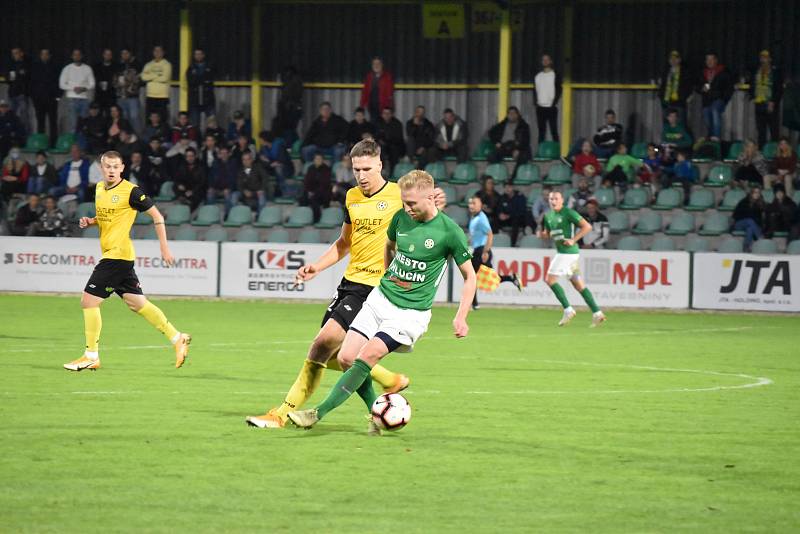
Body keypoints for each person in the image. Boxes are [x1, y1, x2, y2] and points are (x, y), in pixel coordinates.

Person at [246, 140, 443, 429]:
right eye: (356, 170)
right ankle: (389, 384)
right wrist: (316, 266)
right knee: (339, 357)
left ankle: (281, 415)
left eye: (366, 168)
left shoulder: (398, 196)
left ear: (380, 165)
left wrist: (435, 205)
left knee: (322, 345)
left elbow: (427, 215)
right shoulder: (352, 197)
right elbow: (344, 243)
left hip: (377, 288)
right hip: (350, 284)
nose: (361, 175)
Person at [285, 170, 475, 433]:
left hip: (410, 313)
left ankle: (317, 413)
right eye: (404, 202)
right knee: (347, 358)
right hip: (380, 300)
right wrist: (388, 274)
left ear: (431, 197)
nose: (406, 208)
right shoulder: (400, 219)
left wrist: (460, 316)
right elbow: (388, 246)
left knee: (369, 355)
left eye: (412, 203)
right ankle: (377, 412)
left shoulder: (449, 232)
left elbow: (471, 277)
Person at [63, 151, 191, 371]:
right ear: (101, 169)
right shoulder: (100, 189)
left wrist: (164, 248)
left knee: (89, 301)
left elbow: (158, 217)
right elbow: (107, 218)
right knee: (137, 303)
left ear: (122, 168)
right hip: (117, 256)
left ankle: (91, 355)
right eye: (107, 167)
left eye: (115, 167)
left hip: (117, 256)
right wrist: (91, 221)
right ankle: (177, 337)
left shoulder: (131, 192)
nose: (111, 170)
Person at [537, 190, 605, 327]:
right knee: (578, 284)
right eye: (551, 199)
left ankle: (568, 309)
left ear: (562, 200)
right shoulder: (548, 216)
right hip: (567, 254)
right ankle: (597, 313)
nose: (553, 201)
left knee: (549, 280)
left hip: (567, 253)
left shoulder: (568, 212)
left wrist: (574, 240)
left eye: (556, 198)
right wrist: (543, 235)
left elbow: (587, 226)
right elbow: (548, 234)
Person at [468, 194, 522, 309]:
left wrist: (486, 252)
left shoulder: (481, 218)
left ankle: (474, 304)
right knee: (484, 278)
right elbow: (475, 235)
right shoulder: (474, 217)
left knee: (471, 277)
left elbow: (490, 234)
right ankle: (511, 278)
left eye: (474, 203)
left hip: (481, 250)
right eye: (470, 203)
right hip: (478, 250)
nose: (471, 206)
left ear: (480, 205)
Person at [749, 50, 783, 148]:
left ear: (770, 59)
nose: (763, 60)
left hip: (770, 104)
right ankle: (762, 151)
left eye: (765, 57)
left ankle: (775, 152)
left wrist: (773, 102)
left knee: (774, 131)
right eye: (762, 57)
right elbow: (752, 84)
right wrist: (752, 95)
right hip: (759, 103)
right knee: (761, 131)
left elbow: (779, 89)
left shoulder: (775, 72)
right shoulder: (757, 71)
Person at [697, 52, 734, 141]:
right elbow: (697, 86)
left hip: (718, 99)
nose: (709, 62)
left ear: (716, 60)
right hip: (707, 100)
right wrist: (701, 89)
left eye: (711, 59)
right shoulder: (703, 73)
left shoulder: (723, 71)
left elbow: (729, 87)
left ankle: (716, 136)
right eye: (707, 60)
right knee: (706, 115)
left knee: (714, 111)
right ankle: (710, 135)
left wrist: (724, 99)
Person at [59, 49, 95, 134]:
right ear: (72, 56)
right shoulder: (67, 68)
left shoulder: (87, 68)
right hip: (71, 100)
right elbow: (61, 84)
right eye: (75, 55)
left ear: (82, 56)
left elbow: (92, 84)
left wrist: (84, 88)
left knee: (83, 125)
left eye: (79, 55)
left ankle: (82, 145)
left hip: (84, 100)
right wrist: (74, 88)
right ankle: (73, 146)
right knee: (73, 124)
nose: (77, 56)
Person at [30, 49, 61, 146]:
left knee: (53, 121)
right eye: (42, 54)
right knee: (40, 121)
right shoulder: (35, 66)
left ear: (50, 55)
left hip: (51, 98)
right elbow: (31, 82)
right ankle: (41, 142)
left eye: (46, 54)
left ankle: (53, 142)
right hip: (39, 99)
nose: (44, 56)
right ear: (40, 55)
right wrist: (33, 97)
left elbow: (59, 81)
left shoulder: (55, 66)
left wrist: (58, 96)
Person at [488, 106, 531, 173]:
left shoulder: (524, 126)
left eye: (514, 113)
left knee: (523, 157)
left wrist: (518, 149)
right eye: (510, 113)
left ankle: (515, 176)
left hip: (516, 147)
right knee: (492, 156)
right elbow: (491, 132)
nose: (512, 115)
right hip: (504, 147)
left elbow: (526, 141)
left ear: (517, 114)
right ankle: (499, 174)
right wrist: (496, 142)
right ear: (507, 115)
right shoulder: (502, 124)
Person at [658, 51, 692, 125]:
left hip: (679, 103)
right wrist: (661, 96)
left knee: (681, 124)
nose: (673, 61)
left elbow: (688, 86)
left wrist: (685, 97)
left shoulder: (684, 72)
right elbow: (662, 85)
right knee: (667, 124)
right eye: (671, 59)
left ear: (679, 60)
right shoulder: (665, 71)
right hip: (666, 102)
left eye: (675, 58)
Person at [534, 53, 562, 143]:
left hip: (551, 107)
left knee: (554, 130)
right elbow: (535, 90)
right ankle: (540, 151)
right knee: (541, 131)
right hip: (540, 107)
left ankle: (557, 151)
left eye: (547, 59)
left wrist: (554, 102)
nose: (545, 61)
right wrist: (536, 102)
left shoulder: (555, 74)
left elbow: (559, 89)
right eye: (543, 60)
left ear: (551, 61)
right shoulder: (538, 76)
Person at [141, 45, 172, 124]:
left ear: (163, 53)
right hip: (150, 95)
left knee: (162, 119)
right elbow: (143, 77)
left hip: (162, 96)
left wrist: (150, 77)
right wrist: (157, 75)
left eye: (159, 51)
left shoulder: (166, 64)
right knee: (149, 119)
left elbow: (165, 78)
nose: (157, 53)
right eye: (155, 51)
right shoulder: (148, 64)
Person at [115, 47, 142, 134]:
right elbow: (114, 80)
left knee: (134, 118)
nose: (124, 55)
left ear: (130, 54)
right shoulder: (119, 65)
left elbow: (140, 79)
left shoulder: (137, 64)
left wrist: (129, 81)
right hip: (121, 96)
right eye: (123, 54)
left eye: (126, 53)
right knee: (124, 119)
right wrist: (118, 84)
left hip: (132, 97)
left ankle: (137, 139)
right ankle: (126, 139)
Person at [272, 65, 302, 144]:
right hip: (290, 109)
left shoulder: (293, 82)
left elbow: (290, 96)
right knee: (288, 128)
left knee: (288, 128)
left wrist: (287, 106)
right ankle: (291, 143)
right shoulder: (294, 82)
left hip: (290, 109)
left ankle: (290, 144)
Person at [186, 48, 215, 127]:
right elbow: (190, 82)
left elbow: (210, 80)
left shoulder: (209, 67)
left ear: (203, 55)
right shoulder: (191, 68)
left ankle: (211, 138)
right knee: (195, 125)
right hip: (195, 100)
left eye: (200, 54)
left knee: (211, 123)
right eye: (196, 54)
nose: (198, 56)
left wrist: (198, 79)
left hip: (208, 99)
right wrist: (202, 80)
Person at [300, 153, 332, 223]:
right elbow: (307, 182)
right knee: (302, 198)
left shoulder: (326, 169)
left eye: (320, 159)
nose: (318, 161)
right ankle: (301, 218)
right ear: (314, 160)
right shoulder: (310, 168)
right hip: (311, 192)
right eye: (316, 159)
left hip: (322, 193)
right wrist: (309, 192)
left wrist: (314, 193)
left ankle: (316, 219)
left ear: (323, 160)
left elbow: (325, 185)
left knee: (314, 200)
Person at [360, 56, 394, 122]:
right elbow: (365, 91)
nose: (376, 65)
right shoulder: (369, 76)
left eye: (378, 64)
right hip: (371, 107)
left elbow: (390, 93)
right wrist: (362, 104)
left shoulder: (388, 76)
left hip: (383, 107)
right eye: (374, 64)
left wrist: (388, 107)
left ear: (382, 65)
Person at [257, 130, 291, 195]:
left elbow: (282, 161)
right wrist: (270, 164)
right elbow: (261, 160)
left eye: (261, 139)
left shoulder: (279, 146)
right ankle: (262, 192)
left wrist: (269, 162)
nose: (260, 141)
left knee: (278, 168)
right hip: (271, 168)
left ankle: (281, 191)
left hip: (286, 169)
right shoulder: (263, 148)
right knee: (260, 168)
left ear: (265, 139)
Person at [732, 187, 766, 252]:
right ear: (751, 193)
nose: (757, 194)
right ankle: (760, 239)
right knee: (750, 221)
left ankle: (746, 247)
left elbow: (760, 220)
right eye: (755, 192)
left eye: (758, 193)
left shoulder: (760, 204)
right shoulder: (744, 202)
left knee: (750, 228)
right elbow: (736, 215)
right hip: (739, 224)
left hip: (752, 225)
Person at [7, 47, 32, 133]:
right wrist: (10, 77)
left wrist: (22, 74)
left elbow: (28, 78)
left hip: (22, 93)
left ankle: (25, 135)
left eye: (16, 53)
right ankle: (13, 135)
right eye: (13, 53)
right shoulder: (11, 64)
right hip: (12, 93)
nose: (15, 55)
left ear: (21, 53)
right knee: (11, 116)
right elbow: (9, 79)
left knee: (24, 116)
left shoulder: (27, 64)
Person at [207, 145, 237, 212]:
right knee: (210, 193)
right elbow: (210, 177)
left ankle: (228, 215)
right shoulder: (215, 163)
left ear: (229, 154)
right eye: (222, 153)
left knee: (228, 195)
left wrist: (229, 188)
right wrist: (211, 187)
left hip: (228, 189)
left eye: (226, 153)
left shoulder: (233, 163)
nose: (224, 155)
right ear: (219, 154)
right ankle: (211, 213)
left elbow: (234, 179)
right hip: (217, 189)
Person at [374, 106, 405, 173]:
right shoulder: (378, 123)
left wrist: (388, 142)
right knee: (379, 149)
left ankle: (393, 172)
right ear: (382, 114)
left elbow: (399, 138)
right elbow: (375, 136)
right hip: (382, 145)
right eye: (385, 113)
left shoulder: (397, 123)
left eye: (388, 113)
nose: (386, 115)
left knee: (394, 151)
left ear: (391, 114)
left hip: (394, 145)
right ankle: (382, 170)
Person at [497, 181, 528, 246]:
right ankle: (495, 242)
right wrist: (500, 214)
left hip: (518, 219)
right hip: (506, 219)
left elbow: (522, 211)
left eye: (509, 187)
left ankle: (512, 244)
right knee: (494, 220)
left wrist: (509, 216)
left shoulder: (520, 197)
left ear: (513, 187)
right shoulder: (502, 197)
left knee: (516, 221)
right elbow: (499, 209)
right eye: (506, 187)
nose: (507, 189)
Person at [93, 48, 117, 117]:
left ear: (112, 56)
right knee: (98, 115)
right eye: (106, 54)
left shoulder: (116, 66)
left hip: (111, 95)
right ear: (103, 55)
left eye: (109, 54)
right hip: (99, 95)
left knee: (110, 115)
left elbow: (116, 80)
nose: (108, 56)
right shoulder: (97, 67)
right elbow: (94, 80)